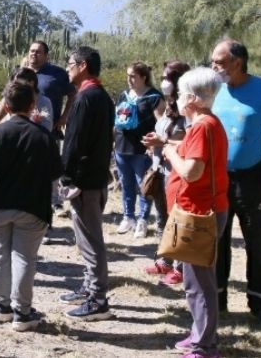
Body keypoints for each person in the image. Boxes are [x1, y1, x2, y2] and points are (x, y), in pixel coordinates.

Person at [0, 81, 63, 331]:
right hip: (33, 206)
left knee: (0, 253)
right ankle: (22, 313)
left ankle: (2, 306)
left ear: (6, 105)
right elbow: (57, 170)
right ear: (32, 104)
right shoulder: (43, 136)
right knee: (24, 258)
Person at [210, 38, 261, 331]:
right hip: (217, 178)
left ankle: (260, 303)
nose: (214, 67)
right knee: (217, 241)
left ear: (237, 62)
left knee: (258, 242)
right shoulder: (213, 89)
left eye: (219, 62)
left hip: (252, 177)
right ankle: (217, 301)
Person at [163, 67, 229, 358]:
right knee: (195, 280)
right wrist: (168, 144)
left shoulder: (202, 126)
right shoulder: (207, 123)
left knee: (200, 283)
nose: (177, 98)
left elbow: (192, 171)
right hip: (200, 210)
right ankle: (199, 334)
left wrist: (169, 153)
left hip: (200, 213)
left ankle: (205, 346)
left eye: (180, 93)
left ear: (191, 98)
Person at [58, 46, 115, 320]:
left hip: (85, 183)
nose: (67, 68)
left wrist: (66, 176)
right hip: (96, 177)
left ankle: (98, 299)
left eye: (70, 63)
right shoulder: (102, 96)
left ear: (82, 66)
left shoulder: (85, 98)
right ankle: (89, 286)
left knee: (91, 241)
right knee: (86, 239)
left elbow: (74, 142)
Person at [141, 59, 191, 286]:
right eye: (162, 78)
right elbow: (163, 135)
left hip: (177, 174)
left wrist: (163, 142)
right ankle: (165, 260)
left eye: (167, 78)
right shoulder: (169, 105)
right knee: (162, 218)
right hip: (159, 170)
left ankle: (181, 267)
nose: (163, 82)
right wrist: (153, 144)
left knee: (177, 220)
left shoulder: (188, 110)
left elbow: (190, 144)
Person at [15, 41, 77, 212]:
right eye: (31, 51)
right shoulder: (21, 72)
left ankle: (55, 201)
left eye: (38, 52)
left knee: (50, 166)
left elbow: (72, 94)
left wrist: (64, 116)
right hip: (22, 129)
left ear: (46, 55)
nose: (34, 54)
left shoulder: (57, 73)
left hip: (49, 128)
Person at [113, 62, 165, 238]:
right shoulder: (124, 95)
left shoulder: (154, 97)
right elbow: (117, 120)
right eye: (128, 75)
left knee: (144, 185)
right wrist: (112, 141)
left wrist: (156, 145)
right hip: (122, 146)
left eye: (133, 76)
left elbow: (161, 124)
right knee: (126, 184)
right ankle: (128, 217)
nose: (129, 79)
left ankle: (143, 219)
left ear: (143, 77)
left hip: (142, 149)